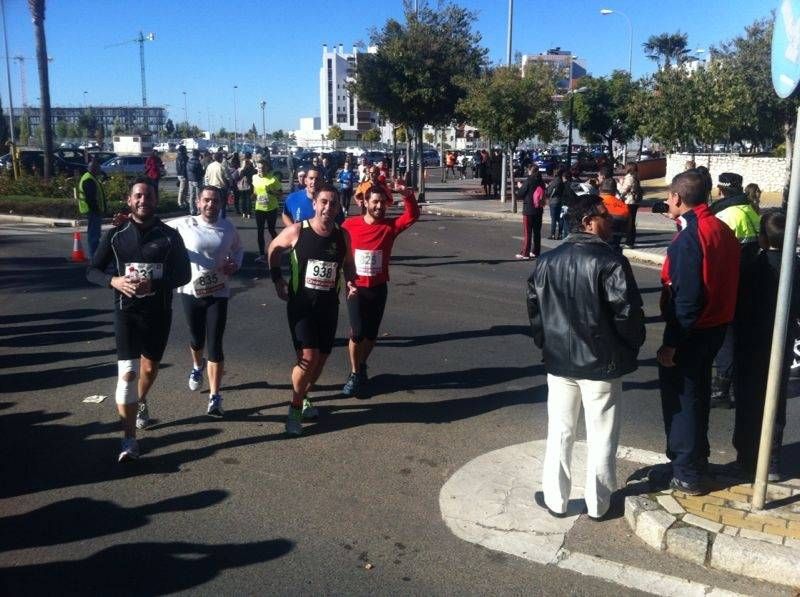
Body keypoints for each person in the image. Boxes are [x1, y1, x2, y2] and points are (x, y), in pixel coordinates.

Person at [527, 194, 645, 519]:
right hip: (601, 364)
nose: (611, 221)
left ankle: (555, 499)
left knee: (560, 431)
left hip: (559, 363)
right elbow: (628, 314)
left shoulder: (548, 260)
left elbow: (535, 311)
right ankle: (599, 503)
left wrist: (545, 343)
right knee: (602, 435)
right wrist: (631, 347)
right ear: (587, 222)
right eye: (605, 216)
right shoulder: (610, 262)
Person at [86, 177, 191, 462]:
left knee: (148, 370)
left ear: (156, 201)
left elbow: (184, 276)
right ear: (129, 200)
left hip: (158, 313)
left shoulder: (169, 236)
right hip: (127, 313)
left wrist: (154, 285)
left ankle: (141, 400)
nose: (143, 201)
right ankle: (129, 440)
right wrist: (114, 281)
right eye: (138, 196)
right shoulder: (117, 235)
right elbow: (92, 271)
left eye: (148, 196)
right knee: (128, 373)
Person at [655, 170, 740, 495]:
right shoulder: (719, 228)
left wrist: (671, 344)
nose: (666, 201)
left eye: (668, 196)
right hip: (716, 327)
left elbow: (687, 299)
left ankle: (686, 470)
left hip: (694, 331)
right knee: (699, 395)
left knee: (683, 400)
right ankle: (696, 461)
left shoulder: (692, 236)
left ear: (677, 198)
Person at [268, 183, 357, 436]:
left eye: (334, 203)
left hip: (329, 306)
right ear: (315, 204)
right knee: (308, 358)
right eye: (324, 202)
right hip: (301, 306)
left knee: (322, 359)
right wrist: (277, 279)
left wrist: (352, 282)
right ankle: (295, 407)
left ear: (340, 207)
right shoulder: (297, 231)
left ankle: (305, 396)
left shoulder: (343, 236)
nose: (328, 207)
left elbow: (349, 264)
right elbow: (273, 249)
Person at [732, 211, 800, 481]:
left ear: (762, 238)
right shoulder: (795, 266)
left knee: (748, 400)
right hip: (781, 342)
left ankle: (747, 457)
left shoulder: (751, 264)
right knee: (775, 401)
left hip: (750, 342)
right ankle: (770, 459)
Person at [341, 180, 420, 397]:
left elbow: (412, 216)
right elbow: (337, 249)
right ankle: (355, 373)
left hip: (378, 288)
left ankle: (362, 364)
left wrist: (407, 195)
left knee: (371, 335)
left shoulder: (389, 227)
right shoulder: (349, 225)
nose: (379, 206)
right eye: (375, 202)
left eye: (383, 203)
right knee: (357, 332)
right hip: (355, 288)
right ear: (365, 202)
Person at [169, 186, 243, 417]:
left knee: (215, 344)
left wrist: (235, 264)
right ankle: (196, 367)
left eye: (215, 201)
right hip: (191, 291)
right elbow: (153, 227)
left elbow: (239, 249)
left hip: (218, 292)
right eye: (207, 201)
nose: (211, 205)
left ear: (221, 204)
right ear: (199, 202)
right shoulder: (184, 224)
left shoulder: (227, 227)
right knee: (196, 339)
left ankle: (215, 397)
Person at [709, 172, 761, 409]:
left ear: (720, 190)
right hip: (751, 283)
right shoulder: (751, 211)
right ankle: (737, 387)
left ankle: (721, 389)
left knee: (726, 338)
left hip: (731, 283)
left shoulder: (725, 214)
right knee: (743, 336)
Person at [252, 159, 283, 263]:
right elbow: (255, 191)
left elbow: (280, 194)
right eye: (259, 167)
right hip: (259, 208)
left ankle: (278, 249)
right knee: (260, 231)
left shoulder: (273, 179)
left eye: (263, 167)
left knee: (271, 230)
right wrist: (253, 196)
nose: (261, 169)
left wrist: (271, 191)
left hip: (271, 209)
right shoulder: (254, 177)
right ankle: (261, 254)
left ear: (267, 168)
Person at [77, 157, 107, 259]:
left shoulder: (91, 178)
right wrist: (97, 210)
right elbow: (91, 199)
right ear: (93, 169)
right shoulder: (89, 179)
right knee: (94, 236)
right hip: (92, 211)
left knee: (94, 235)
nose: (100, 169)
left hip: (93, 211)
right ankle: (94, 257)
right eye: (98, 168)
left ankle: (95, 256)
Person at [515, 164, 545, 259]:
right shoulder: (541, 182)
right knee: (537, 232)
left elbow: (520, 194)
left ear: (530, 171)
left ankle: (525, 253)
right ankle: (536, 251)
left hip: (529, 210)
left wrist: (520, 186)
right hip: (539, 209)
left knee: (527, 232)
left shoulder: (529, 181)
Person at [598, 178, 629, 253]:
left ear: (600, 189)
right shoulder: (624, 207)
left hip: (598, 248)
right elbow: (628, 230)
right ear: (615, 191)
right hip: (615, 248)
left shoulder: (596, 204)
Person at [619, 163, 642, 248]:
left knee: (629, 222)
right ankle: (630, 241)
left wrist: (620, 183)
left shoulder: (629, 177)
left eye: (626, 167)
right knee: (631, 222)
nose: (624, 168)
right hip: (634, 202)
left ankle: (629, 242)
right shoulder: (636, 176)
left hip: (629, 202)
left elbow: (624, 190)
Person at [204, 151, 231, 216]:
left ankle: (213, 218)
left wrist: (207, 186)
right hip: (221, 188)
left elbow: (206, 177)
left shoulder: (209, 166)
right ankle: (222, 219)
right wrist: (229, 186)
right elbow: (228, 178)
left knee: (213, 204)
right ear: (220, 158)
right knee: (222, 205)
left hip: (211, 187)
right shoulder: (222, 166)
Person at [546, 167, 567, 240]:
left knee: (554, 218)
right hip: (560, 201)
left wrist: (548, 187)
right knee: (560, 218)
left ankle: (552, 234)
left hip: (554, 201)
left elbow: (549, 192)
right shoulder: (562, 182)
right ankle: (560, 234)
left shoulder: (554, 182)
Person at [237, 152, 256, 219]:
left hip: (242, 186)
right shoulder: (252, 169)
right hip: (250, 185)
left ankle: (244, 213)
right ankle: (249, 213)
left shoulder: (242, 170)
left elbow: (239, 176)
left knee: (243, 199)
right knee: (249, 199)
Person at [186, 149, 204, 216]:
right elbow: (201, 173)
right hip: (197, 180)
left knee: (191, 196)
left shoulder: (188, 161)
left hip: (190, 180)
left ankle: (192, 210)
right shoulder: (198, 162)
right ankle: (199, 210)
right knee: (198, 196)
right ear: (198, 154)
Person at [175, 145, 189, 210]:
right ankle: (180, 202)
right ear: (183, 150)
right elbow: (184, 167)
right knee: (183, 189)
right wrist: (184, 175)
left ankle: (184, 201)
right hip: (183, 175)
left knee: (184, 189)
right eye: (185, 149)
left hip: (180, 174)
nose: (186, 150)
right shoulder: (184, 157)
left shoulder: (178, 157)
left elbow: (178, 167)